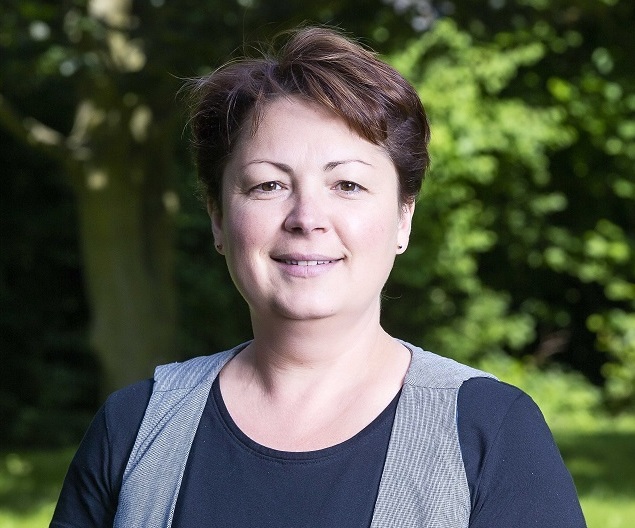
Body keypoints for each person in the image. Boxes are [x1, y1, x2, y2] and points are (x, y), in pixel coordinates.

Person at [51, 26, 586, 527]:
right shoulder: (135, 427)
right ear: (217, 218)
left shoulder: (491, 432)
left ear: (403, 217)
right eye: (268, 185)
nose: (307, 218)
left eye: (347, 185)